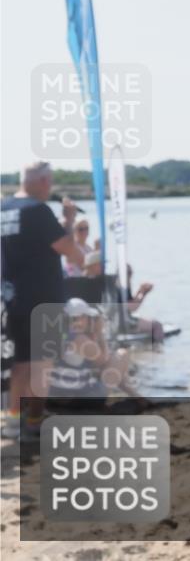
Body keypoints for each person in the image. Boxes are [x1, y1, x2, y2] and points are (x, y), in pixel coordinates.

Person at [0, 162, 85, 436]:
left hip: (13, 297)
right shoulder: (39, 210)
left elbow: (33, 240)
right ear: (43, 181)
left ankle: (12, 421)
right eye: (49, 182)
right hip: (44, 297)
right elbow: (68, 249)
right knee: (43, 364)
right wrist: (69, 221)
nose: (50, 188)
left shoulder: (4, 209)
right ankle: (35, 420)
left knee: (20, 362)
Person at [48, 298, 140, 400]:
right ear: (82, 317)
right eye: (88, 317)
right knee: (122, 354)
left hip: (56, 393)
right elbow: (103, 360)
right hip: (76, 398)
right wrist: (99, 332)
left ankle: (138, 397)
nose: (90, 320)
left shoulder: (60, 333)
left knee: (112, 369)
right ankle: (138, 398)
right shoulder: (80, 339)